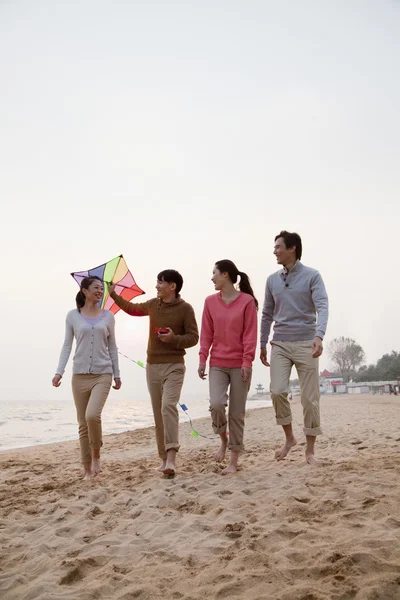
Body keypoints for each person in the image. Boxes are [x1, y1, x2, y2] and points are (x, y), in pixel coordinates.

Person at [109, 270, 198, 476]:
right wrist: (113, 294)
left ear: (172, 286)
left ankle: (172, 458)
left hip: (174, 365)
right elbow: (131, 309)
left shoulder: (186, 309)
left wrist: (173, 339)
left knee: (168, 406)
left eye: (160, 282)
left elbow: (193, 337)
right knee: (158, 414)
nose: (156, 286)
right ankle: (163, 460)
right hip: (152, 366)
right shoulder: (152, 304)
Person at [260, 231, 329, 464]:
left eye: (278, 246)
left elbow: (322, 306)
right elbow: (267, 314)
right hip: (279, 342)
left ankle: (310, 451)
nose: (275, 251)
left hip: (306, 343)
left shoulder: (312, 276)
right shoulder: (272, 280)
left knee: (310, 399)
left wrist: (319, 335)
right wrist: (262, 343)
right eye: (274, 247)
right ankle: (289, 438)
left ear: (293, 248)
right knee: (277, 391)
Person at [52, 276, 121, 480]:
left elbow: (112, 347)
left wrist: (117, 374)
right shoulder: (73, 316)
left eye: (102, 288)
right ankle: (88, 470)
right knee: (82, 423)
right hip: (79, 375)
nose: (100, 291)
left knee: (92, 416)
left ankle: (97, 455)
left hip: (103, 373)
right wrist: (59, 371)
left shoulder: (108, 316)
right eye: (96, 288)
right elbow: (67, 345)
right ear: (84, 290)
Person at [198, 260, 258, 475]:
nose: (212, 278)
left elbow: (250, 334)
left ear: (225, 275)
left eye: (214, 273)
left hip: (240, 365)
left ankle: (233, 461)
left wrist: (247, 361)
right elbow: (206, 333)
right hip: (217, 363)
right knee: (216, 404)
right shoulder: (210, 302)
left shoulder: (247, 302)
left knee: (236, 413)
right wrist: (202, 359)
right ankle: (223, 439)